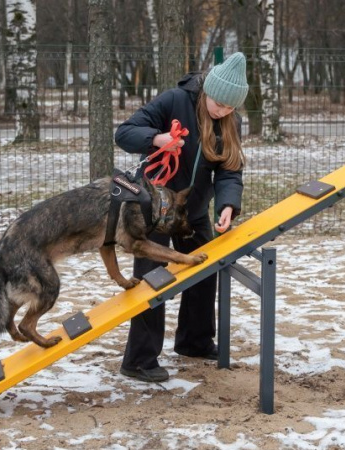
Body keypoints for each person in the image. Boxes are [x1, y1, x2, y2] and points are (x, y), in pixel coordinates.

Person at [114, 52, 248, 382]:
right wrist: (157, 138)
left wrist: (228, 205)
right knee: (152, 279)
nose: (223, 111)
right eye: (219, 103)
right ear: (208, 92)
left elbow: (230, 171)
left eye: (230, 107)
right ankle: (139, 359)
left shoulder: (232, 123)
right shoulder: (175, 101)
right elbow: (124, 132)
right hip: (156, 206)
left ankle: (194, 341)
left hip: (195, 210)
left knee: (204, 271)